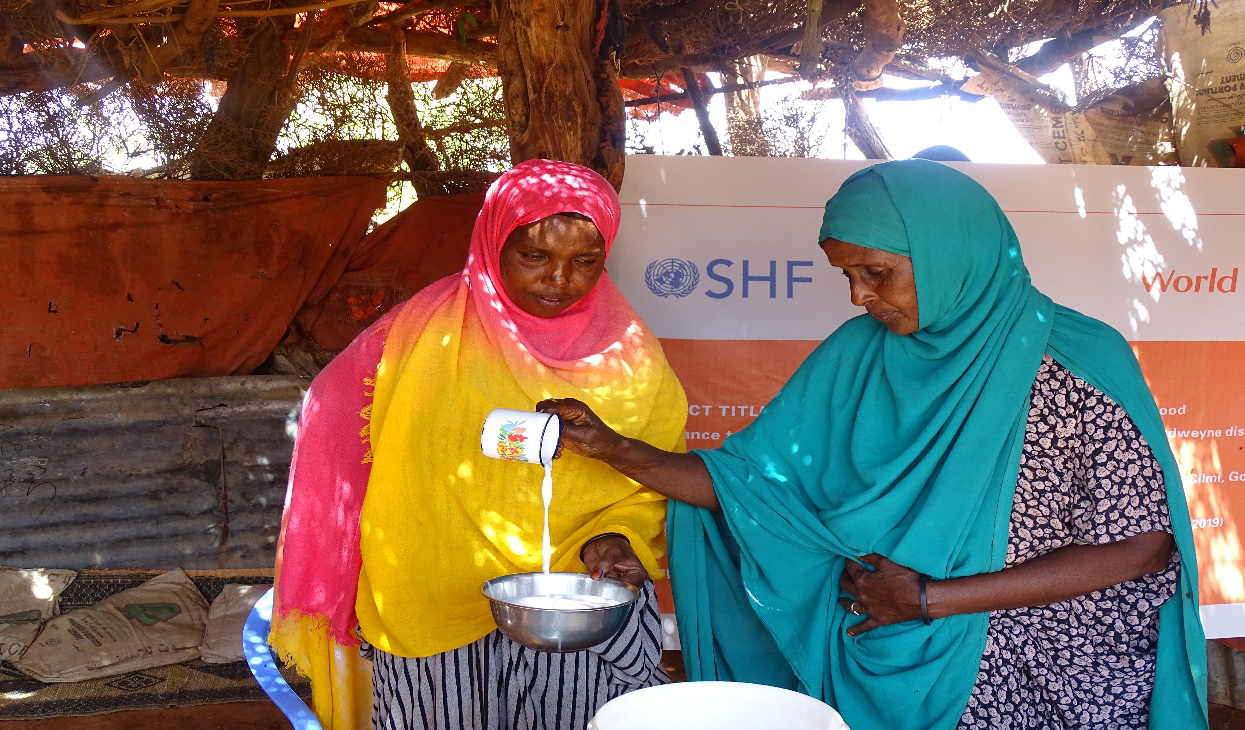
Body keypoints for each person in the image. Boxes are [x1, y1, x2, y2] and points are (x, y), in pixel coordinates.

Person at [541, 159, 1207, 730]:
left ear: (949, 254)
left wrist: (930, 601)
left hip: (1055, 667)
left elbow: (1141, 544)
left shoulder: (1075, 362)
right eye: (847, 277)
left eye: (875, 272)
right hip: (880, 645)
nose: (859, 296)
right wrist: (612, 448)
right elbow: (749, 486)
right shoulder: (856, 355)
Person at [270, 159, 688, 729]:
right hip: (433, 594)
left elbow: (651, 474)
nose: (558, 280)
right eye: (535, 257)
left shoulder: (630, 356)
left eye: (584, 262)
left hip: (577, 595)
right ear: (494, 244)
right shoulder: (421, 334)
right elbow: (331, 412)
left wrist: (617, 539)